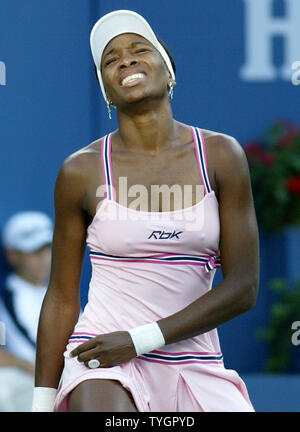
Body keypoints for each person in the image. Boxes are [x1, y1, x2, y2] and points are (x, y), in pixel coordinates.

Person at [33, 10, 260, 412]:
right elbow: (62, 297)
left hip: (196, 362)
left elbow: (243, 288)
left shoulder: (222, 155)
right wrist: (40, 403)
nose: (126, 60)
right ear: (106, 90)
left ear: (168, 70)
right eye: (111, 59)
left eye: (140, 50)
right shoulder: (79, 171)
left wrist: (140, 340)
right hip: (102, 359)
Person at [0, 211, 52, 411]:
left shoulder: (52, 292)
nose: (44, 258)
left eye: (47, 248)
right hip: (36, 384)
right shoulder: (8, 297)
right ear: (12, 255)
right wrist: (23, 364)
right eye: (34, 251)